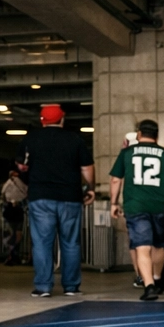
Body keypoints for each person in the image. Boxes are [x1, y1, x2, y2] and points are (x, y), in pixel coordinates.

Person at [21, 104, 95, 297]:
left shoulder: (31, 138)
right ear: (62, 119)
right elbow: (87, 168)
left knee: (42, 242)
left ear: (42, 121)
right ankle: (71, 286)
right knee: (71, 242)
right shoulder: (75, 139)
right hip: (70, 197)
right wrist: (90, 188)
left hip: (41, 197)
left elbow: (21, 164)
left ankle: (43, 287)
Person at [110, 118, 164, 301]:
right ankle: (158, 278)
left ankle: (149, 285)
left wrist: (114, 203)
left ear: (139, 134)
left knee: (142, 247)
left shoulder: (127, 153)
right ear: (157, 136)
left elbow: (115, 180)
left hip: (135, 206)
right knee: (159, 245)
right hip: (160, 206)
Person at [1, 165, 27, 265]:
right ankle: (14, 254)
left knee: (11, 233)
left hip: (10, 210)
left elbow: (3, 194)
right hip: (18, 209)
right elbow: (25, 192)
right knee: (17, 233)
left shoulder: (8, 184)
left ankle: (11, 254)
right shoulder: (21, 183)